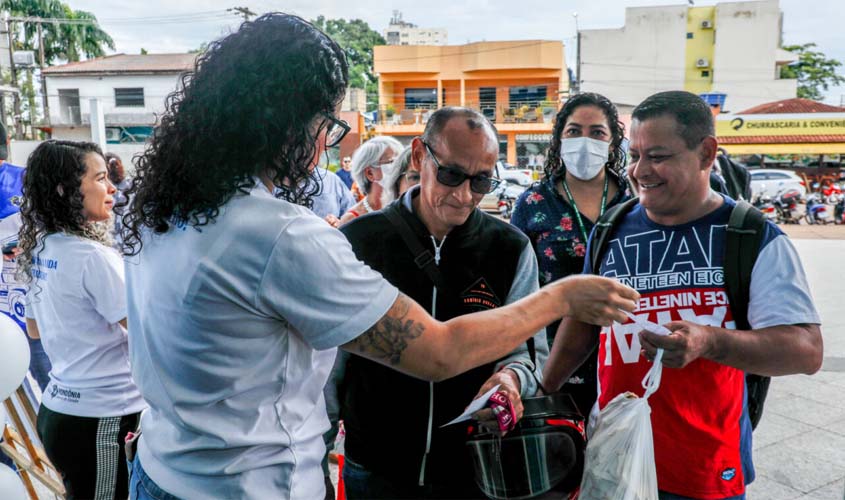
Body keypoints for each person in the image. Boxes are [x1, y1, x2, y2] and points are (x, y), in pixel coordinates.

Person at [118, 14, 638, 500]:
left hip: (165, 468)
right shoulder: (282, 236)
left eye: (480, 180)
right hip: (251, 484)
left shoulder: (165, 211)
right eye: (325, 124)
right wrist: (563, 295)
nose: (325, 142)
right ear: (287, 123)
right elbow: (436, 352)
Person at [543, 90, 823, 500]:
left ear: (707, 153)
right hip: (613, 459)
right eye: (635, 155)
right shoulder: (611, 229)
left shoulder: (749, 235)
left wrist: (709, 341)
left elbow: (806, 350)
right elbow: (584, 322)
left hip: (706, 470)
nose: (640, 171)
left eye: (657, 156)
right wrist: (542, 391)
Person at [337, 107, 548, 498]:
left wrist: (511, 379)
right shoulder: (359, 241)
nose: (464, 195)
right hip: (374, 466)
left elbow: (526, 352)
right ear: (419, 156)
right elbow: (329, 367)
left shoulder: (510, 248)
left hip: (474, 469)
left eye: (482, 181)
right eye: (451, 175)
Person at [17, 140, 145, 499]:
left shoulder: (42, 247)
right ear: (66, 189)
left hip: (59, 408)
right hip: (102, 416)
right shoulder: (92, 257)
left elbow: (34, 329)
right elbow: (146, 332)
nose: (112, 188)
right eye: (101, 178)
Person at [511, 93, 630, 417]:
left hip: (627, 359)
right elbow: (514, 285)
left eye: (597, 133)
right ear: (560, 139)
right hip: (552, 364)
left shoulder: (635, 202)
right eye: (574, 131)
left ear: (612, 142)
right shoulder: (533, 203)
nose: (584, 141)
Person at [339, 136, 403, 224]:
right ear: (370, 173)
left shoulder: (406, 207)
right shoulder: (351, 220)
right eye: (392, 162)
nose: (400, 168)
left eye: (400, 162)